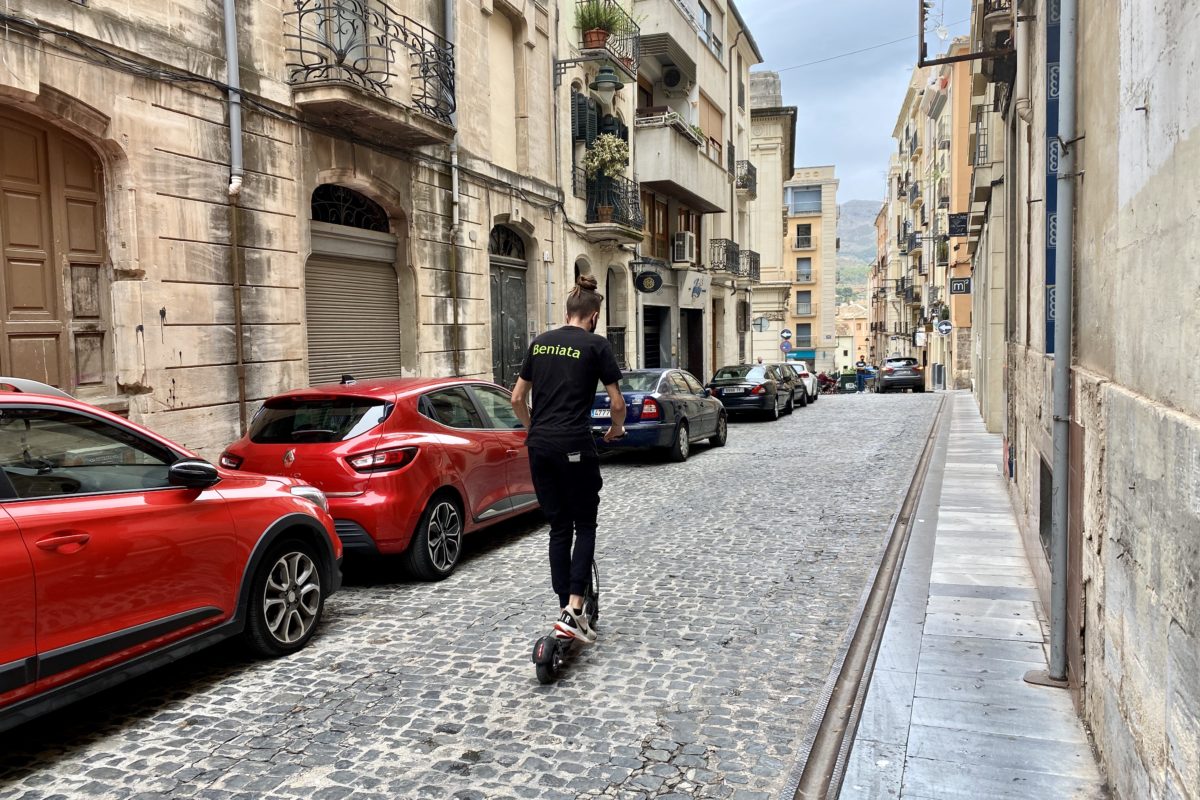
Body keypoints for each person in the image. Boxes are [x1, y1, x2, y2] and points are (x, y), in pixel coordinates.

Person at [511, 275, 626, 645]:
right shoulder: (596, 346)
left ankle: (564, 606)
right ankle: (576, 607)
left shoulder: (540, 343)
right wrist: (614, 430)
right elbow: (618, 403)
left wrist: (536, 428)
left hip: (540, 446)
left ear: (566, 312)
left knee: (558, 528)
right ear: (593, 316)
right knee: (585, 524)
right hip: (575, 444)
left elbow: (516, 399)